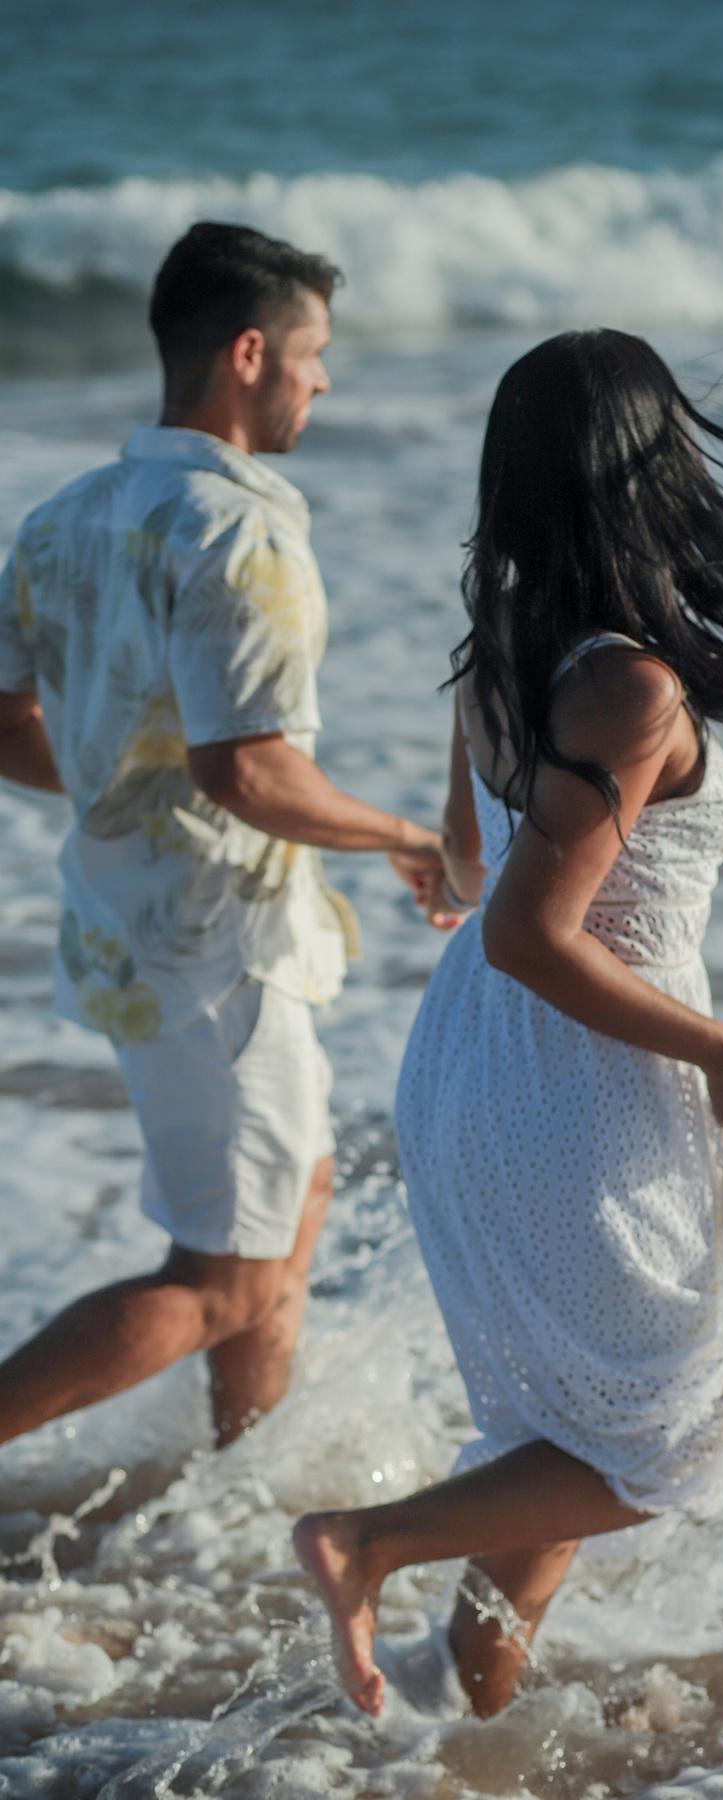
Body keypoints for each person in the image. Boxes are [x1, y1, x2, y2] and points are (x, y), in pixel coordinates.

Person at [295, 329, 723, 1718]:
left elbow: (470, 873)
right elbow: (523, 929)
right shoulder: (629, 686)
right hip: (581, 1080)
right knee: (678, 1436)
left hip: (475, 1066)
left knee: (564, 1430)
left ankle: (476, 1717)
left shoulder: (500, 646)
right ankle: (365, 1544)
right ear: (650, 472)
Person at [0, 222, 445, 1451]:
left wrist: (115, 781)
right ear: (250, 355)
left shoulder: (64, 518)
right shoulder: (240, 530)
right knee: (226, 1280)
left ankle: (238, 1491)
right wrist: (410, 836)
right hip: (217, 950)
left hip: (130, 929)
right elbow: (247, 769)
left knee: (294, 1199)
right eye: (313, 354)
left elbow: (7, 726)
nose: (323, 380)